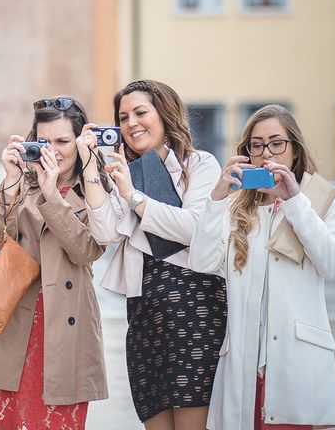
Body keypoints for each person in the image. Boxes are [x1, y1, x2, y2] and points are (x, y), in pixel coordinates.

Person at [188, 105, 335, 430]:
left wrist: (293, 201)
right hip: (244, 366)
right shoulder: (235, 207)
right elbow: (201, 261)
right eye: (256, 145)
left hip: (295, 364)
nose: (266, 153)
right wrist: (217, 197)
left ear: (294, 148)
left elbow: (333, 265)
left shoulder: (322, 199)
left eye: (276, 143)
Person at [81, 80, 227, 430]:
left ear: (164, 114)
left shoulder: (200, 165)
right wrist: (90, 168)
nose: (131, 123)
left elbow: (194, 228)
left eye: (141, 112)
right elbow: (104, 231)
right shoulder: (124, 173)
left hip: (196, 309)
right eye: (123, 117)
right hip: (145, 315)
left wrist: (134, 197)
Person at [0, 96, 110, 429]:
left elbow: (86, 250)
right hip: (12, 317)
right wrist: (11, 180)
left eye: (62, 141)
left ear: (80, 143)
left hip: (64, 323)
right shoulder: (24, 181)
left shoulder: (94, 188)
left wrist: (52, 196)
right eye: (44, 141)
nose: (53, 150)